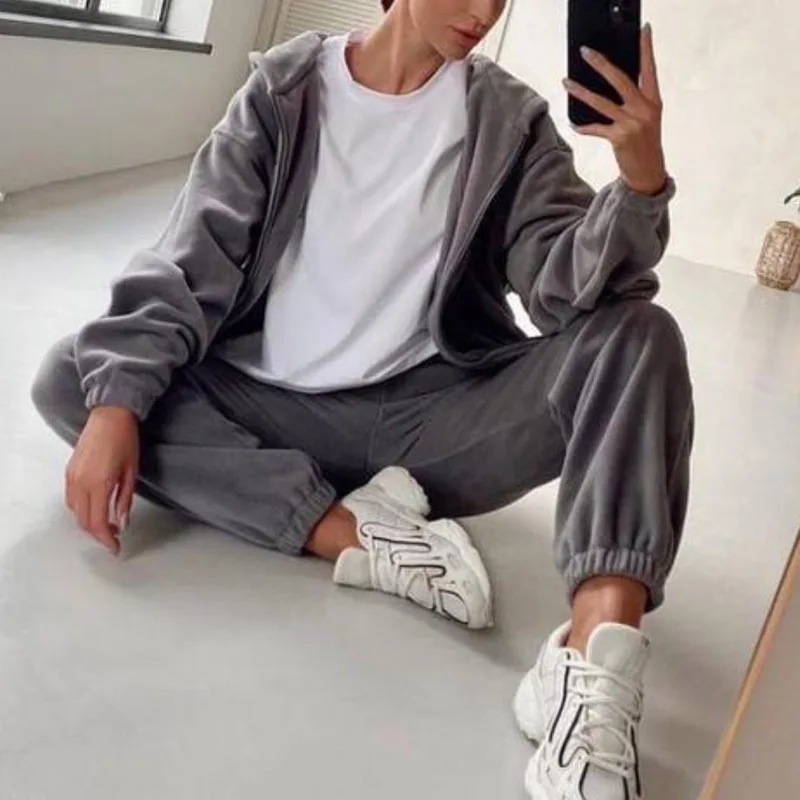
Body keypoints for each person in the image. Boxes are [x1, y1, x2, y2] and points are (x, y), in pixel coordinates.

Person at [31, 0, 693, 797]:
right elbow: (187, 263)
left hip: (433, 427)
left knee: (641, 335)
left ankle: (591, 663)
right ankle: (357, 536)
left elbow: (563, 289)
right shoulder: (285, 93)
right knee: (79, 377)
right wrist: (115, 407)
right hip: (273, 405)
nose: (485, 11)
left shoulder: (507, 121)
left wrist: (639, 181)